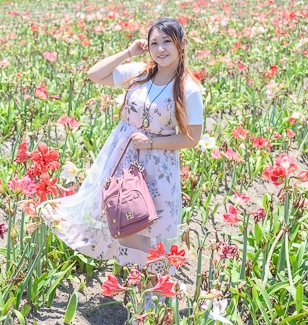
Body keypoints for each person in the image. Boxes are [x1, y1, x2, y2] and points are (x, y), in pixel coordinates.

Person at [41, 18, 204, 267]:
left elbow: (192, 139)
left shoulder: (188, 90)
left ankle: (150, 290)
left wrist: (151, 142)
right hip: (123, 160)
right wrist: (128, 52)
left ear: (181, 43)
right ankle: (140, 287)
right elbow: (94, 74)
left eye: (167, 42)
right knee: (126, 221)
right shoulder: (140, 73)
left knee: (145, 226)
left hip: (157, 167)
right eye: (154, 43)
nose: (160, 49)